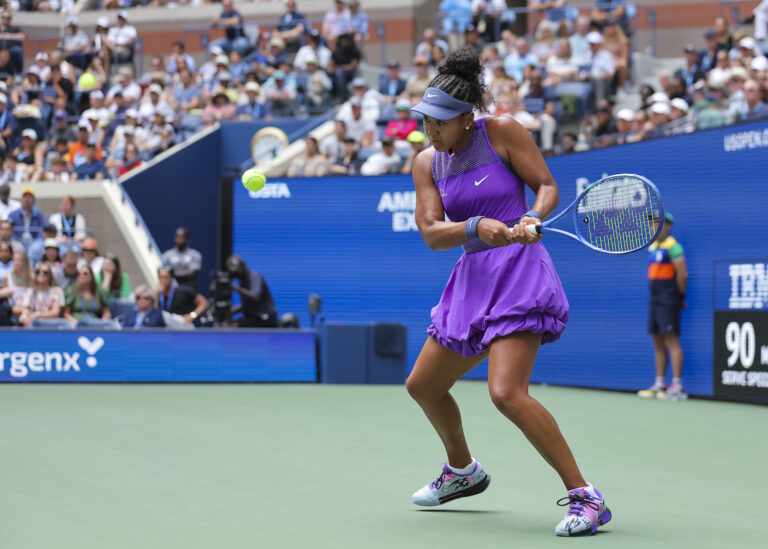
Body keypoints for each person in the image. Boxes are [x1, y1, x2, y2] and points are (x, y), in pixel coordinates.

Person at [405, 47, 610, 537]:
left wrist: (531, 217)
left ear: (467, 118)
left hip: (519, 272)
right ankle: (462, 472)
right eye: (425, 121)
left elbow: (546, 186)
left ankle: (587, 497)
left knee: (506, 393)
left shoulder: (502, 132)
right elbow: (433, 233)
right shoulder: (426, 163)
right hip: (473, 276)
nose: (431, 130)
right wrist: (477, 226)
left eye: (440, 122)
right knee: (423, 386)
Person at [638, 212, 688, 401]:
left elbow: (682, 275)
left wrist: (679, 296)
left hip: (669, 299)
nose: (655, 227)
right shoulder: (653, 247)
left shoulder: (674, 247)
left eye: (659, 224)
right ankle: (660, 383)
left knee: (671, 341)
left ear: (668, 226)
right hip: (655, 299)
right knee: (657, 341)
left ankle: (677, 385)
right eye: (653, 224)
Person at [224, 255, 277, 328]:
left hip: (264, 317)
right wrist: (227, 312)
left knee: (233, 326)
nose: (234, 272)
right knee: (226, 325)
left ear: (243, 266)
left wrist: (234, 287)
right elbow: (243, 306)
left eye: (235, 268)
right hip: (253, 317)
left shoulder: (254, 276)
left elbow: (255, 297)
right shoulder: (242, 281)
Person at [17, 263, 64, 327]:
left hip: (51, 325)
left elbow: (55, 313)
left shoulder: (56, 291)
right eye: (38, 272)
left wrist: (38, 314)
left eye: (45, 272)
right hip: (34, 324)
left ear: (50, 276)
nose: (41, 274)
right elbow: (25, 309)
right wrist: (25, 317)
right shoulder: (30, 291)